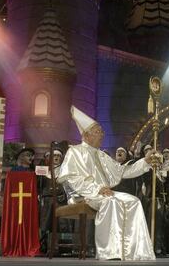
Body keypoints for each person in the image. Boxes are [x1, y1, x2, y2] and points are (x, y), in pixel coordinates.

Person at [57, 106, 156, 261]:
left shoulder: (102, 155)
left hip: (105, 193)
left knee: (134, 201)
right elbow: (71, 178)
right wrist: (97, 188)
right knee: (111, 202)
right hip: (83, 194)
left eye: (102, 131)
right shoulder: (74, 151)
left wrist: (145, 161)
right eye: (98, 131)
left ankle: (134, 251)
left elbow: (124, 171)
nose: (102, 134)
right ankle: (110, 252)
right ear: (86, 135)